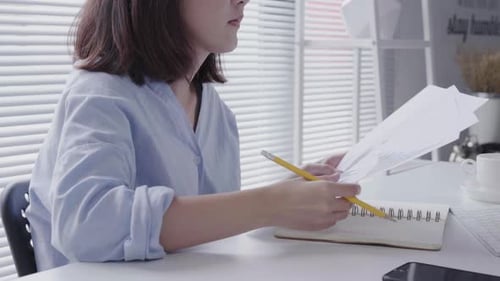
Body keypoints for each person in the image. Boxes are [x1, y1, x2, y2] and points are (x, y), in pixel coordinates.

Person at [26, 0, 361, 271]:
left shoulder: (217, 113)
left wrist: (290, 196)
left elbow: (208, 225)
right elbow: (86, 225)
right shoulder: (99, 95)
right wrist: (270, 203)